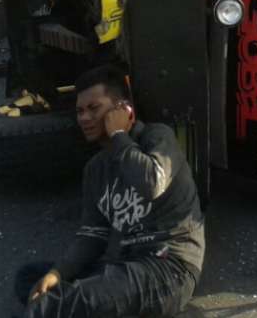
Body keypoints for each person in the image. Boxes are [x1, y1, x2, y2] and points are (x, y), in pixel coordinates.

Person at [17, 65, 204, 318]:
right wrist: (57, 273)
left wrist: (118, 134)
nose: (84, 118)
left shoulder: (157, 137)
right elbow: (92, 235)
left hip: (167, 266)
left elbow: (152, 183)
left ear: (123, 109)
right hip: (119, 263)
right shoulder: (95, 169)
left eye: (94, 108)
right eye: (80, 111)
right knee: (31, 279)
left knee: (53, 306)